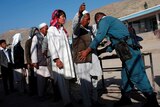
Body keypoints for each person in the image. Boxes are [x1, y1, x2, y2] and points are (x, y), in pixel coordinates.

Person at [79, 12, 160, 107]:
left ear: (98, 20)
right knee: (125, 76)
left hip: (129, 51)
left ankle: (152, 100)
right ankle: (125, 98)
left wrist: (87, 50)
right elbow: (113, 43)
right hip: (126, 52)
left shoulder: (104, 21)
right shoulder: (112, 23)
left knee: (136, 74)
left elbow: (99, 37)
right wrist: (101, 51)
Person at [72, 5, 102, 107]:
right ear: (81, 19)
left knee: (94, 81)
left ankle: (94, 100)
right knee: (85, 84)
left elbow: (99, 27)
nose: (89, 21)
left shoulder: (90, 29)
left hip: (92, 58)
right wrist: (79, 13)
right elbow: (75, 24)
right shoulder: (77, 31)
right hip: (82, 60)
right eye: (87, 19)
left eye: (89, 19)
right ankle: (87, 103)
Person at [47, 9, 75, 107]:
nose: (64, 18)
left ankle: (69, 99)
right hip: (59, 60)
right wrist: (57, 60)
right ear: (56, 17)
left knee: (67, 81)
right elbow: (51, 45)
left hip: (67, 59)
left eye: (64, 16)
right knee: (62, 82)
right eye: (62, 16)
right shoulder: (51, 30)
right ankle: (67, 102)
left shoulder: (63, 30)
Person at [30, 23, 51, 99]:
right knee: (40, 81)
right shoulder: (36, 37)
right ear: (41, 29)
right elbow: (33, 49)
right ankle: (40, 95)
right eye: (46, 28)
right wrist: (35, 61)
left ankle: (45, 93)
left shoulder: (46, 36)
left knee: (46, 79)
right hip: (40, 62)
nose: (47, 30)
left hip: (47, 62)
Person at [25, 27, 39, 96]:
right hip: (31, 63)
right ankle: (32, 91)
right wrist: (30, 62)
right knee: (32, 77)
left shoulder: (38, 39)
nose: (36, 33)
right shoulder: (28, 41)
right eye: (35, 32)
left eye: (37, 31)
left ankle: (38, 90)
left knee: (38, 77)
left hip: (38, 62)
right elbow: (27, 53)